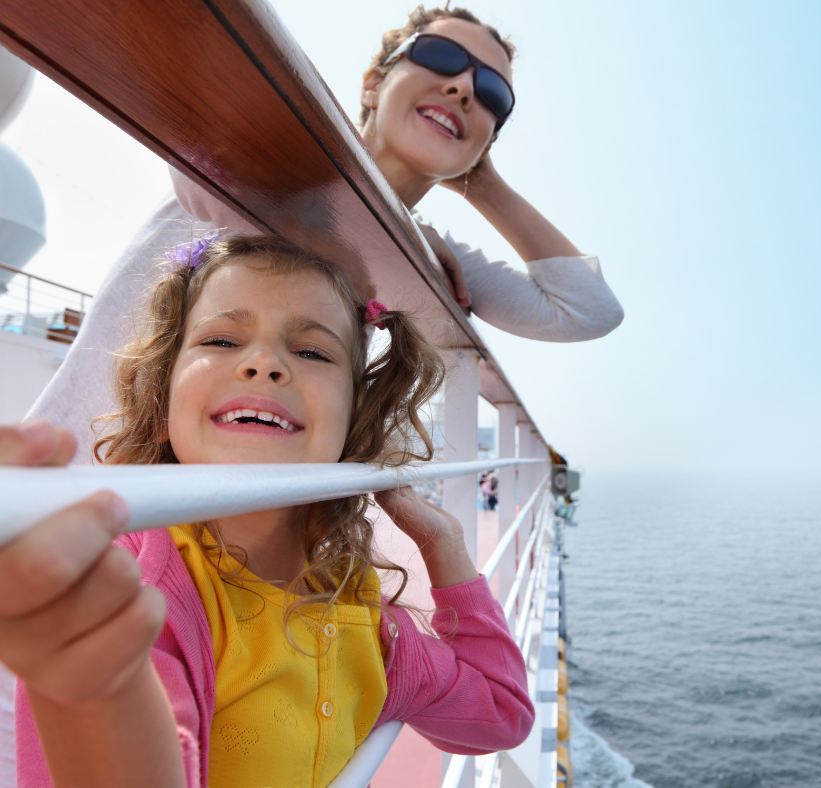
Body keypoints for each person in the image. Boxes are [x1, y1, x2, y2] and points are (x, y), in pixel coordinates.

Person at [3, 234, 533, 787]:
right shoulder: (133, 593)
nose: (263, 364)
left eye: (311, 352)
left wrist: (444, 547)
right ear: (162, 401)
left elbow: (501, 713)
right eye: (223, 339)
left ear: (356, 422)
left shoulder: (364, 623)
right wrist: (91, 678)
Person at [29, 4, 623, 466]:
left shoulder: (427, 251)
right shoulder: (286, 146)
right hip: (74, 467)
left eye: (493, 94)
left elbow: (586, 312)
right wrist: (377, 240)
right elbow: (198, 168)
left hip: (207, 516)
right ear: (372, 83)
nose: (465, 88)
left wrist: (480, 186)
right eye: (442, 57)